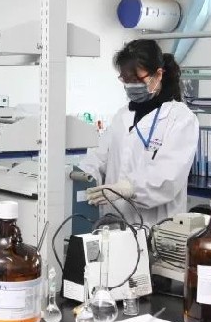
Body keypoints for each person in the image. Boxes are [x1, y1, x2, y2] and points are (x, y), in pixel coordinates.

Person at [79, 39, 200, 227]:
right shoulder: (123, 115)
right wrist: (82, 173)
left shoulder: (180, 118)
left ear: (158, 75)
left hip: (156, 226)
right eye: (126, 80)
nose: (131, 86)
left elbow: (169, 178)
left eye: (136, 80)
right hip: (113, 224)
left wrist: (129, 188)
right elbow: (100, 157)